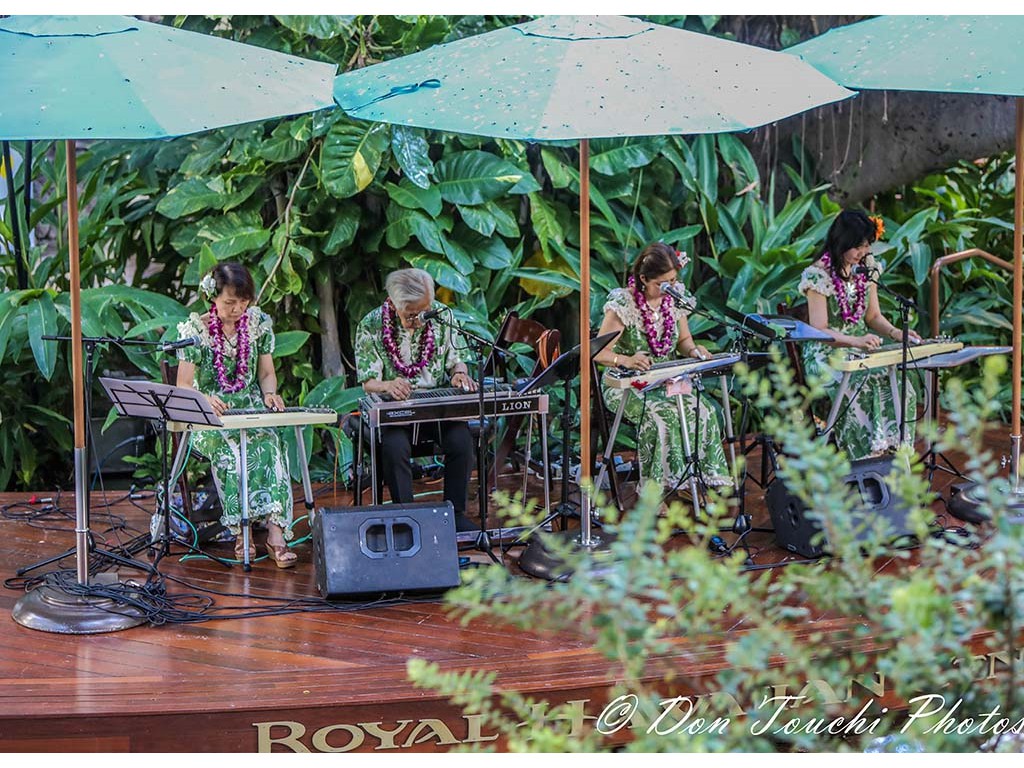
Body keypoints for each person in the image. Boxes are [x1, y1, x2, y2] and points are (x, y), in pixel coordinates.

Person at [175, 262, 297, 568]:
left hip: (251, 408)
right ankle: (243, 532)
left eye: (244, 302)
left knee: (270, 445)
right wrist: (205, 399)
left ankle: (276, 534)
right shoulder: (196, 331)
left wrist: (270, 393)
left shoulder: (257, 324)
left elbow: (266, 373)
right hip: (209, 415)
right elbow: (183, 385)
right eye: (230, 302)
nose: (238, 309)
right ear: (212, 297)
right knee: (234, 451)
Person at [594, 242, 732, 497]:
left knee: (704, 411)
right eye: (662, 283)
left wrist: (695, 351)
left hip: (666, 379)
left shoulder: (674, 299)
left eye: (673, 281)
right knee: (662, 417)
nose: (668, 288)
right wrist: (626, 360)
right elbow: (598, 353)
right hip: (625, 383)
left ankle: (689, 482)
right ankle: (654, 492)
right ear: (644, 279)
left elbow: (684, 341)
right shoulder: (624, 304)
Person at [354, 268, 478, 531]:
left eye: (425, 312)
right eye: (411, 315)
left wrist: (459, 374)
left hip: (438, 406)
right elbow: (368, 382)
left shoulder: (443, 316)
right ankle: (406, 519)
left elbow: (458, 361)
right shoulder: (371, 324)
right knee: (394, 447)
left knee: (461, 441)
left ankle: (455, 515)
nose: (419, 320)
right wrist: (388, 384)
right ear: (393, 303)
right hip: (396, 410)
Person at [799, 209, 921, 460]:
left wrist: (896, 332)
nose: (863, 252)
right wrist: (856, 340)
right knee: (858, 386)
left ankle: (892, 452)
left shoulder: (866, 270)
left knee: (900, 384)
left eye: (866, 246)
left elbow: (873, 316)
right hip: (825, 354)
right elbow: (819, 329)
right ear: (841, 242)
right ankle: (863, 459)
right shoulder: (818, 275)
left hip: (860, 351)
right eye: (858, 246)